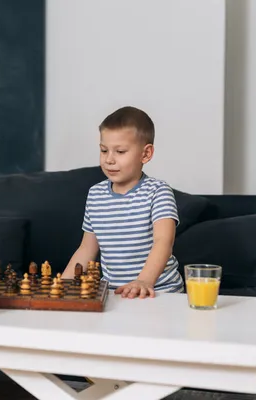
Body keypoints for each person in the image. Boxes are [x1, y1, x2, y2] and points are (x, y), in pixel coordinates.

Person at [62, 106, 184, 298]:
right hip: (114, 294)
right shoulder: (95, 194)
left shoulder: (158, 192)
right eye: (104, 150)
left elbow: (163, 242)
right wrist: (63, 284)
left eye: (120, 151)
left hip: (159, 292)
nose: (109, 160)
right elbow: (87, 249)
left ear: (145, 154)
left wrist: (144, 280)